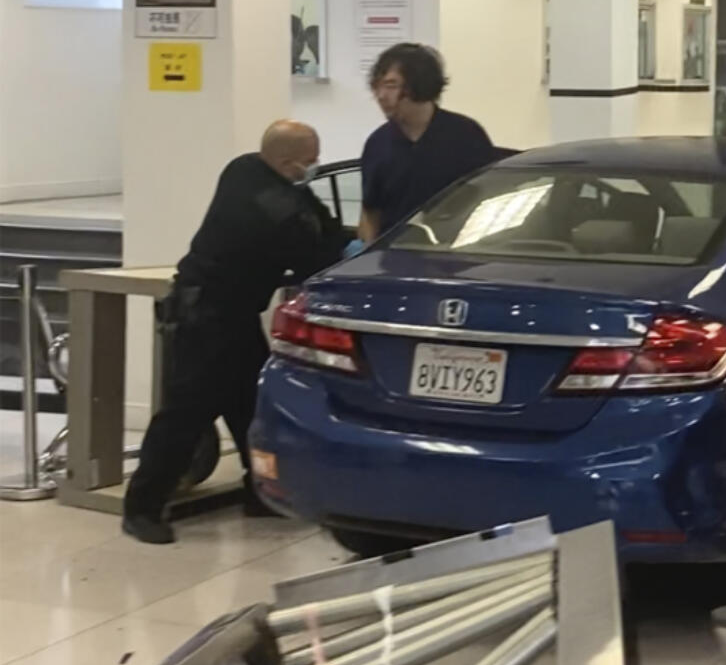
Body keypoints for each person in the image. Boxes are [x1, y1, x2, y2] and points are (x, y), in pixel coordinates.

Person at [122, 120, 348, 544]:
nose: (315, 167)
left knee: (252, 406)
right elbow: (316, 253)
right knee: (185, 414)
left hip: (231, 313)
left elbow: (313, 215)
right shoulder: (274, 210)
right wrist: (347, 248)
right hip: (207, 317)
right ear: (285, 162)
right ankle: (142, 508)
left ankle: (260, 493)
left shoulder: (245, 168)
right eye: (310, 161)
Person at [358, 43, 494, 242]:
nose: (381, 96)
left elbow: (487, 201)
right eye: (376, 86)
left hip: (456, 252)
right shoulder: (378, 143)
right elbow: (370, 213)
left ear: (419, 84)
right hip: (394, 254)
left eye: (391, 86)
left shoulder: (466, 135)